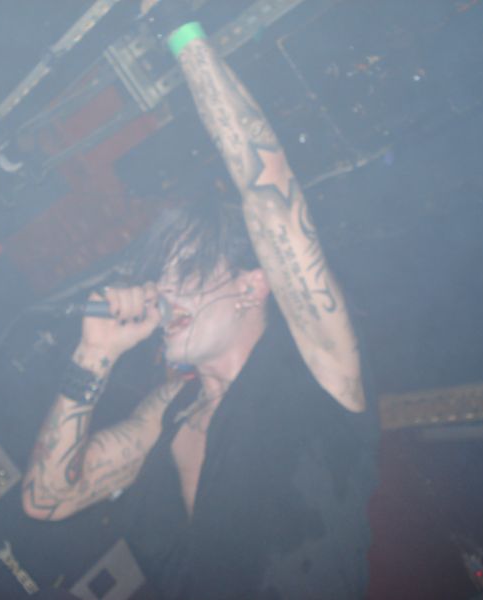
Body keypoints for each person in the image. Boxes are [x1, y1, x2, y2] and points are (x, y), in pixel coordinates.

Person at [22, 3, 377, 597]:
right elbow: (48, 499)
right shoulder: (169, 410)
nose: (164, 290)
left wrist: (178, 28)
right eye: (160, 276)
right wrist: (93, 356)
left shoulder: (316, 366)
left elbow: (268, 192)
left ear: (251, 284)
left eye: (185, 269)